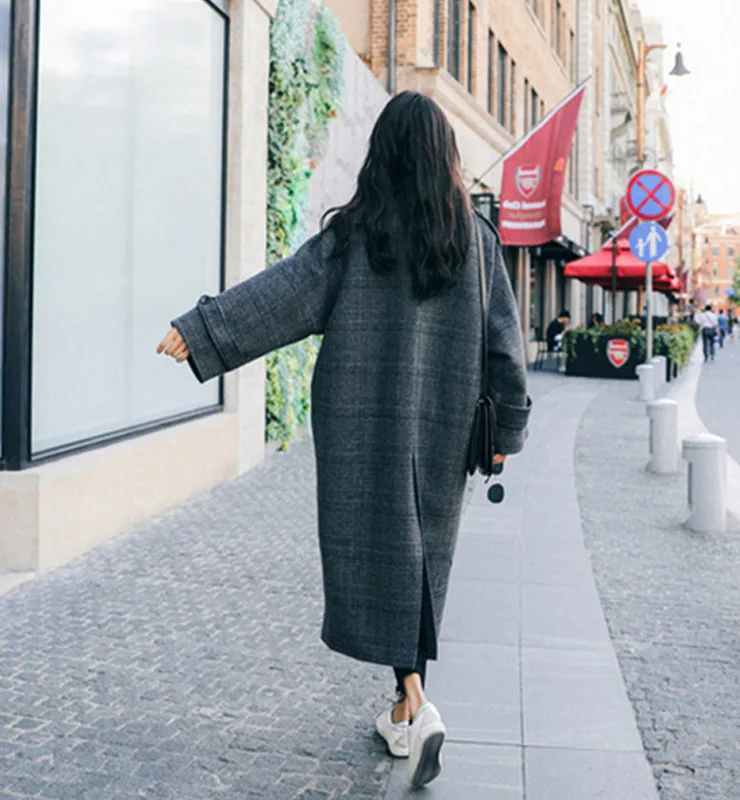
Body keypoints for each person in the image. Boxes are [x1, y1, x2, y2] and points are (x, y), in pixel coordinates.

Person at [156, 91, 531, 790]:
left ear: (381, 154)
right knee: (421, 560)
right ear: (446, 155)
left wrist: (201, 330)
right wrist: (506, 431)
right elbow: (506, 347)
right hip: (444, 426)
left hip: (363, 425)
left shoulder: (359, 236)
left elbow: (284, 294)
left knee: (385, 557)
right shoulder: (475, 241)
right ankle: (406, 710)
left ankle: (415, 701)